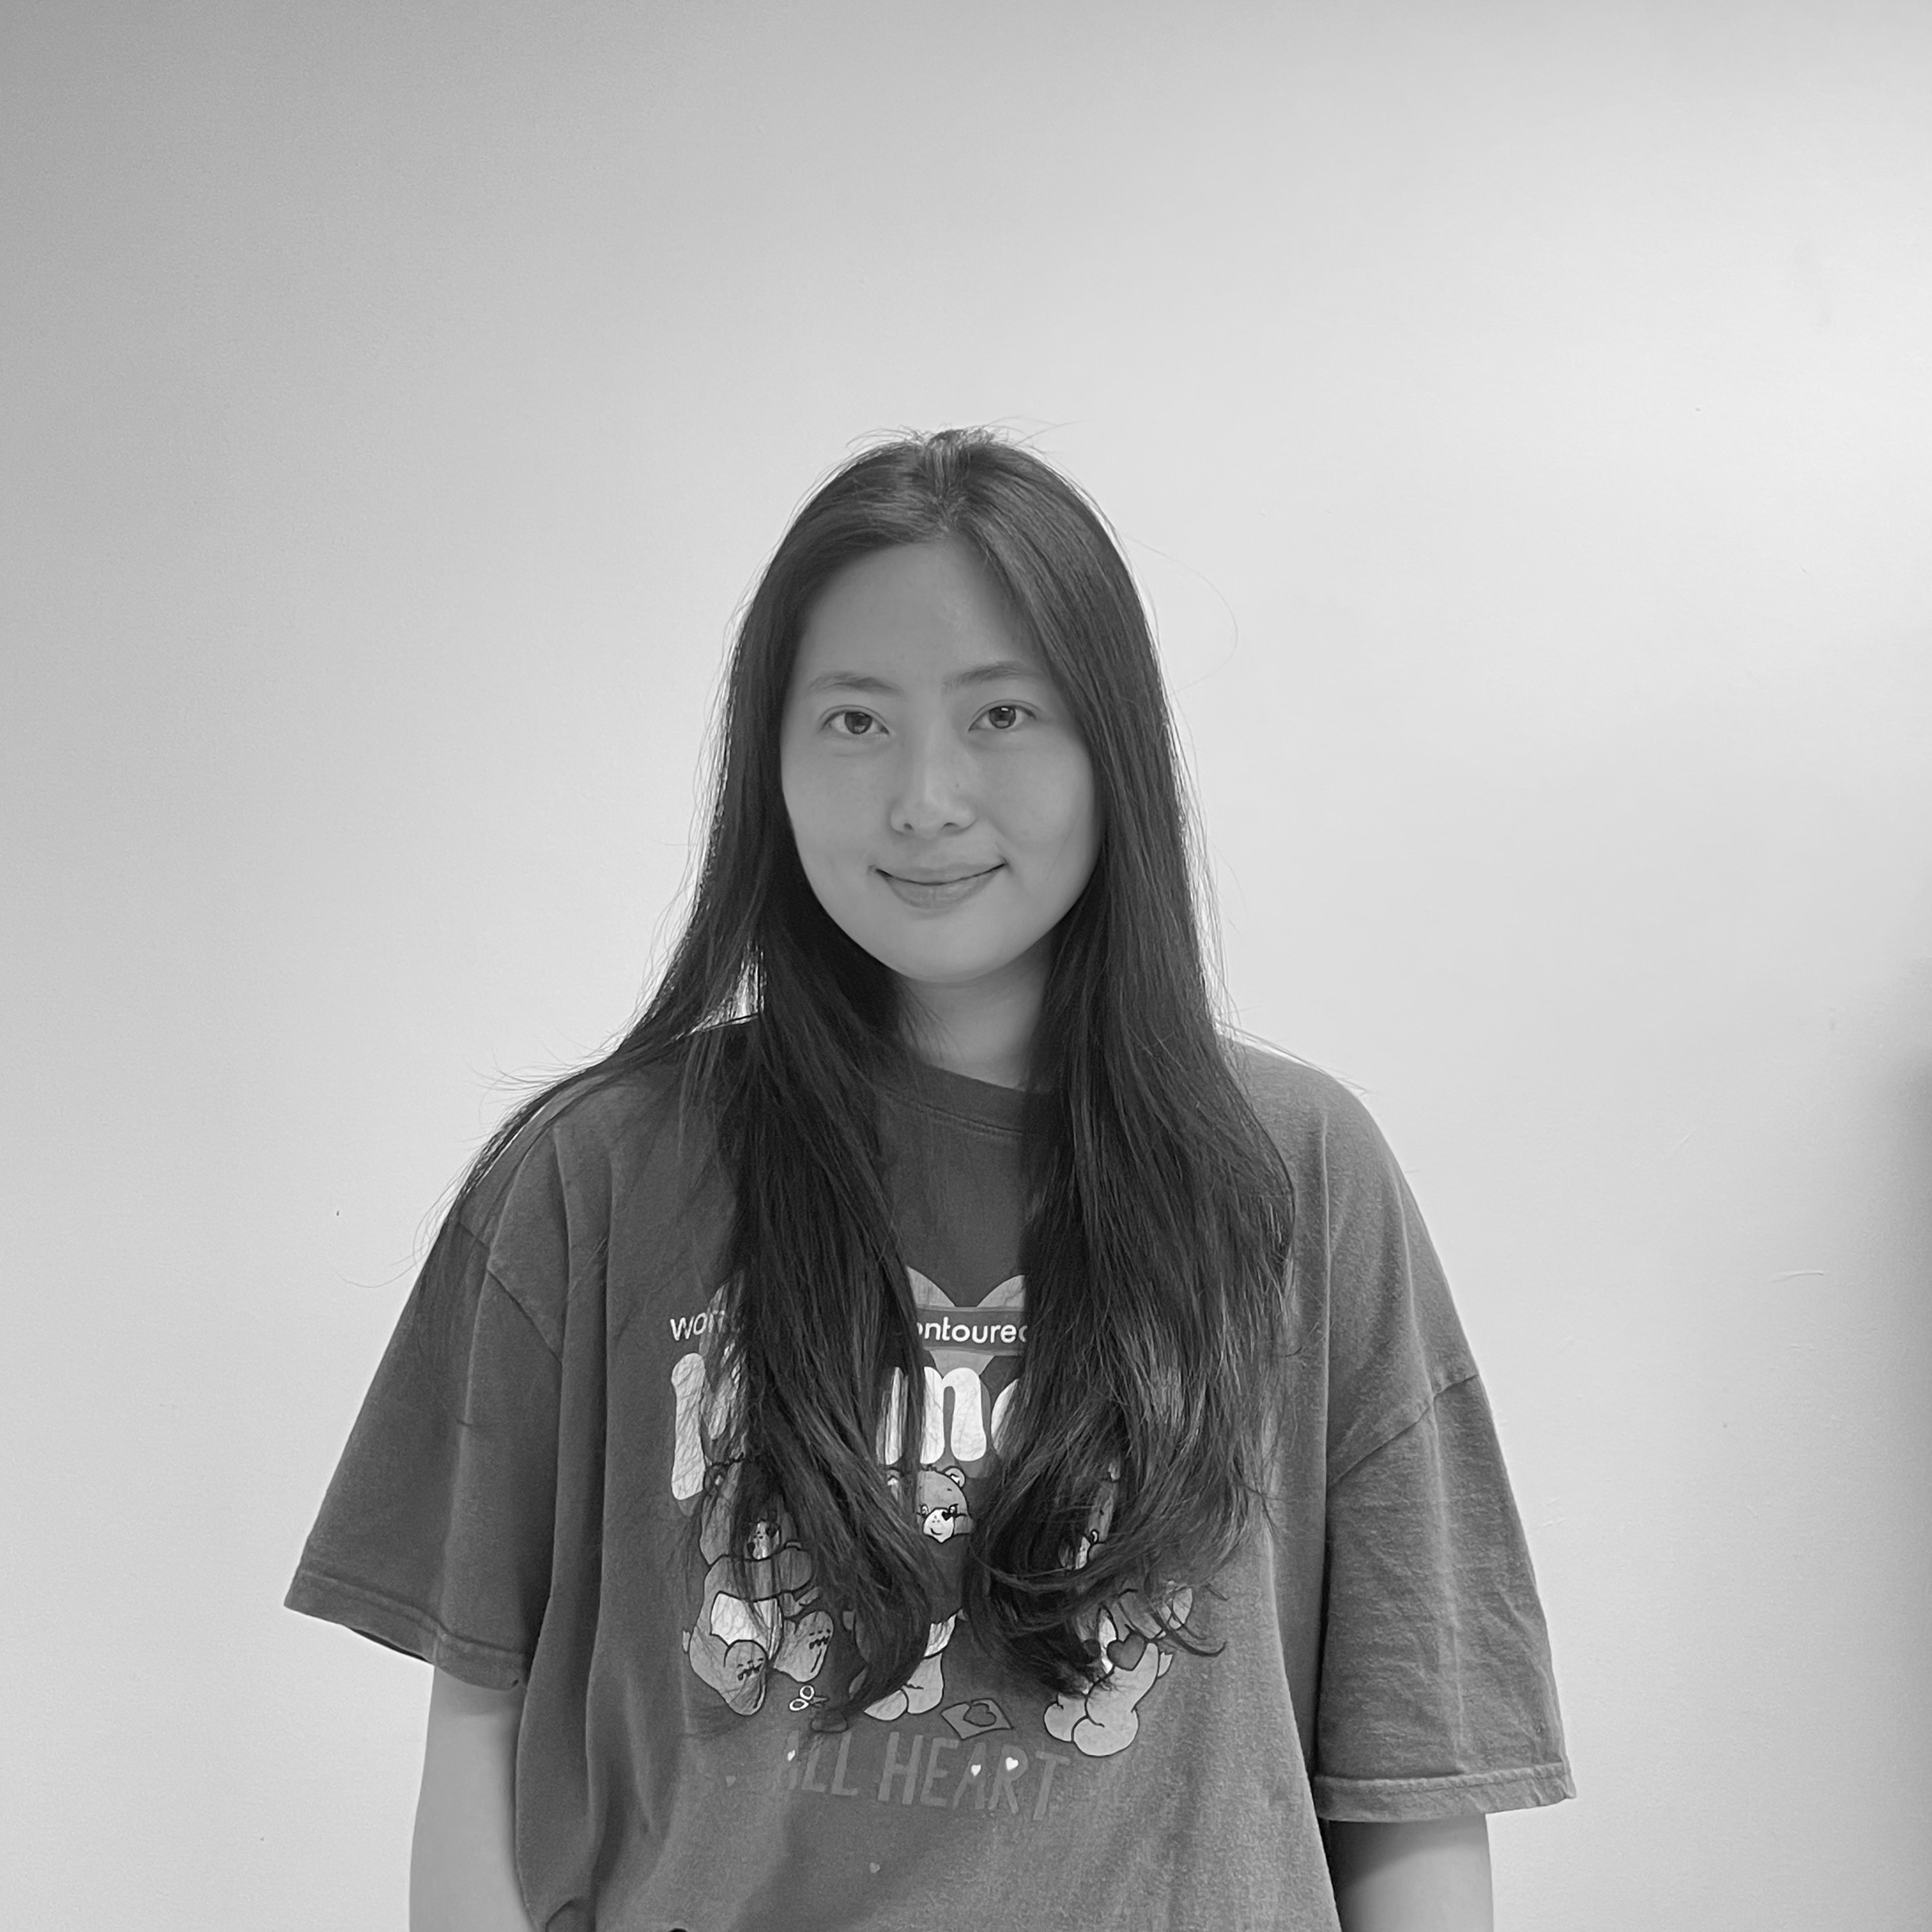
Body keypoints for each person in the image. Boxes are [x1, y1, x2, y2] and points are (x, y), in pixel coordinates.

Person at [286, 429, 1574, 1932]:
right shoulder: (594, 1179)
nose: (926, 797)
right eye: (854, 720)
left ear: (1111, 750)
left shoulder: (1293, 1176)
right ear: (768, 767)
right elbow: (480, 1733)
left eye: (1002, 714)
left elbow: (1411, 1776)